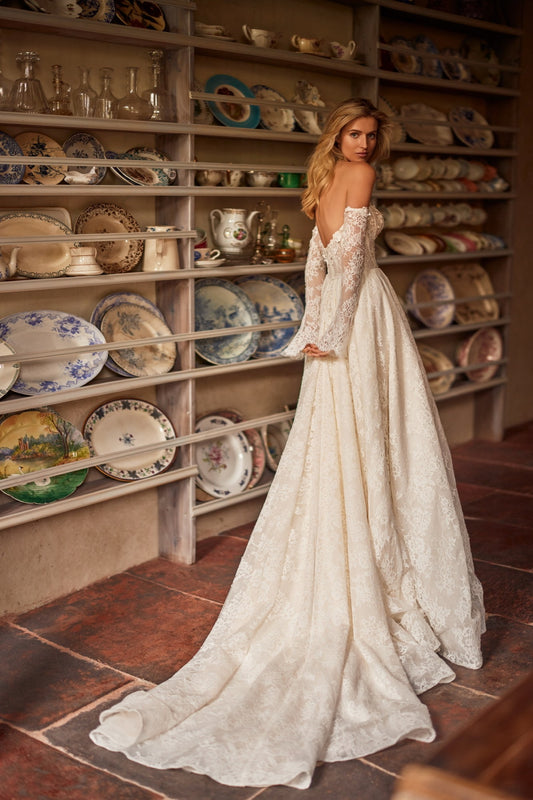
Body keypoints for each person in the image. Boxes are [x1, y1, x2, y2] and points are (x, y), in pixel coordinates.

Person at [90, 98, 485, 790]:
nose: (364, 145)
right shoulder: (355, 181)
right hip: (360, 322)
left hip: (338, 320)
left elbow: (318, 263)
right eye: (354, 134)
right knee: (382, 439)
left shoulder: (324, 179)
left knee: (355, 437)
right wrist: (329, 334)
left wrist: (313, 330)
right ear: (337, 136)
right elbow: (350, 264)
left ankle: (366, 534)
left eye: (370, 135)